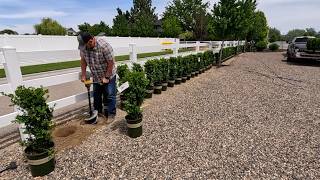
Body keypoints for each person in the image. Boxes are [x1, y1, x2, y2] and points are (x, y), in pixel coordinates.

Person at [78, 32, 117, 120]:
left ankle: (111, 114)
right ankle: (98, 114)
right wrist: (83, 74)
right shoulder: (83, 48)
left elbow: (111, 62)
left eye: (85, 45)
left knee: (110, 94)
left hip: (109, 74)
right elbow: (83, 60)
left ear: (91, 41)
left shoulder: (104, 46)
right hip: (96, 76)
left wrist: (106, 77)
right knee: (97, 96)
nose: (83, 48)